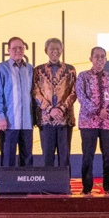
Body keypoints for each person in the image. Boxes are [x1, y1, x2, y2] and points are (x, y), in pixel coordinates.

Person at [75, 47, 109, 195]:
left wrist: (108, 111)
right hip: (88, 122)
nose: (99, 60)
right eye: (96, 57)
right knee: (88, 157)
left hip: (107, 122)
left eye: (102, 57)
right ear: (91, 59)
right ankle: (87, 189)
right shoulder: (83, 76)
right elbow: (81, 97)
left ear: (106, 60)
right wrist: (97, 111)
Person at [33, 38, 77, 172]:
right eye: (52, 48)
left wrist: (61, 109)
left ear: (62, 50)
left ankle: (65, 183)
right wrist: (49, 109)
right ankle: (48, 183)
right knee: (47, 157)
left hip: (65, 119)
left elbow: (74, 92)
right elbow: (35, 92)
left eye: (58, 48)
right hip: (46, 120)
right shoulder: (38, 70)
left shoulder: (70, 70)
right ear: (46, 50)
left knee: (65, 157)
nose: (55, 51)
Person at [0, 37, 34, 167]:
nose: (18, 51)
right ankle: (7, 182)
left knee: (27, 159)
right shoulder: (1, 68)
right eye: (14, 48)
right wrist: (0, 117)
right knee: (8, 159)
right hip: (9, 122)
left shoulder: (30, 69)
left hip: (27, 122)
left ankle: (26, 181)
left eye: (21, 48)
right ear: (8, 50)